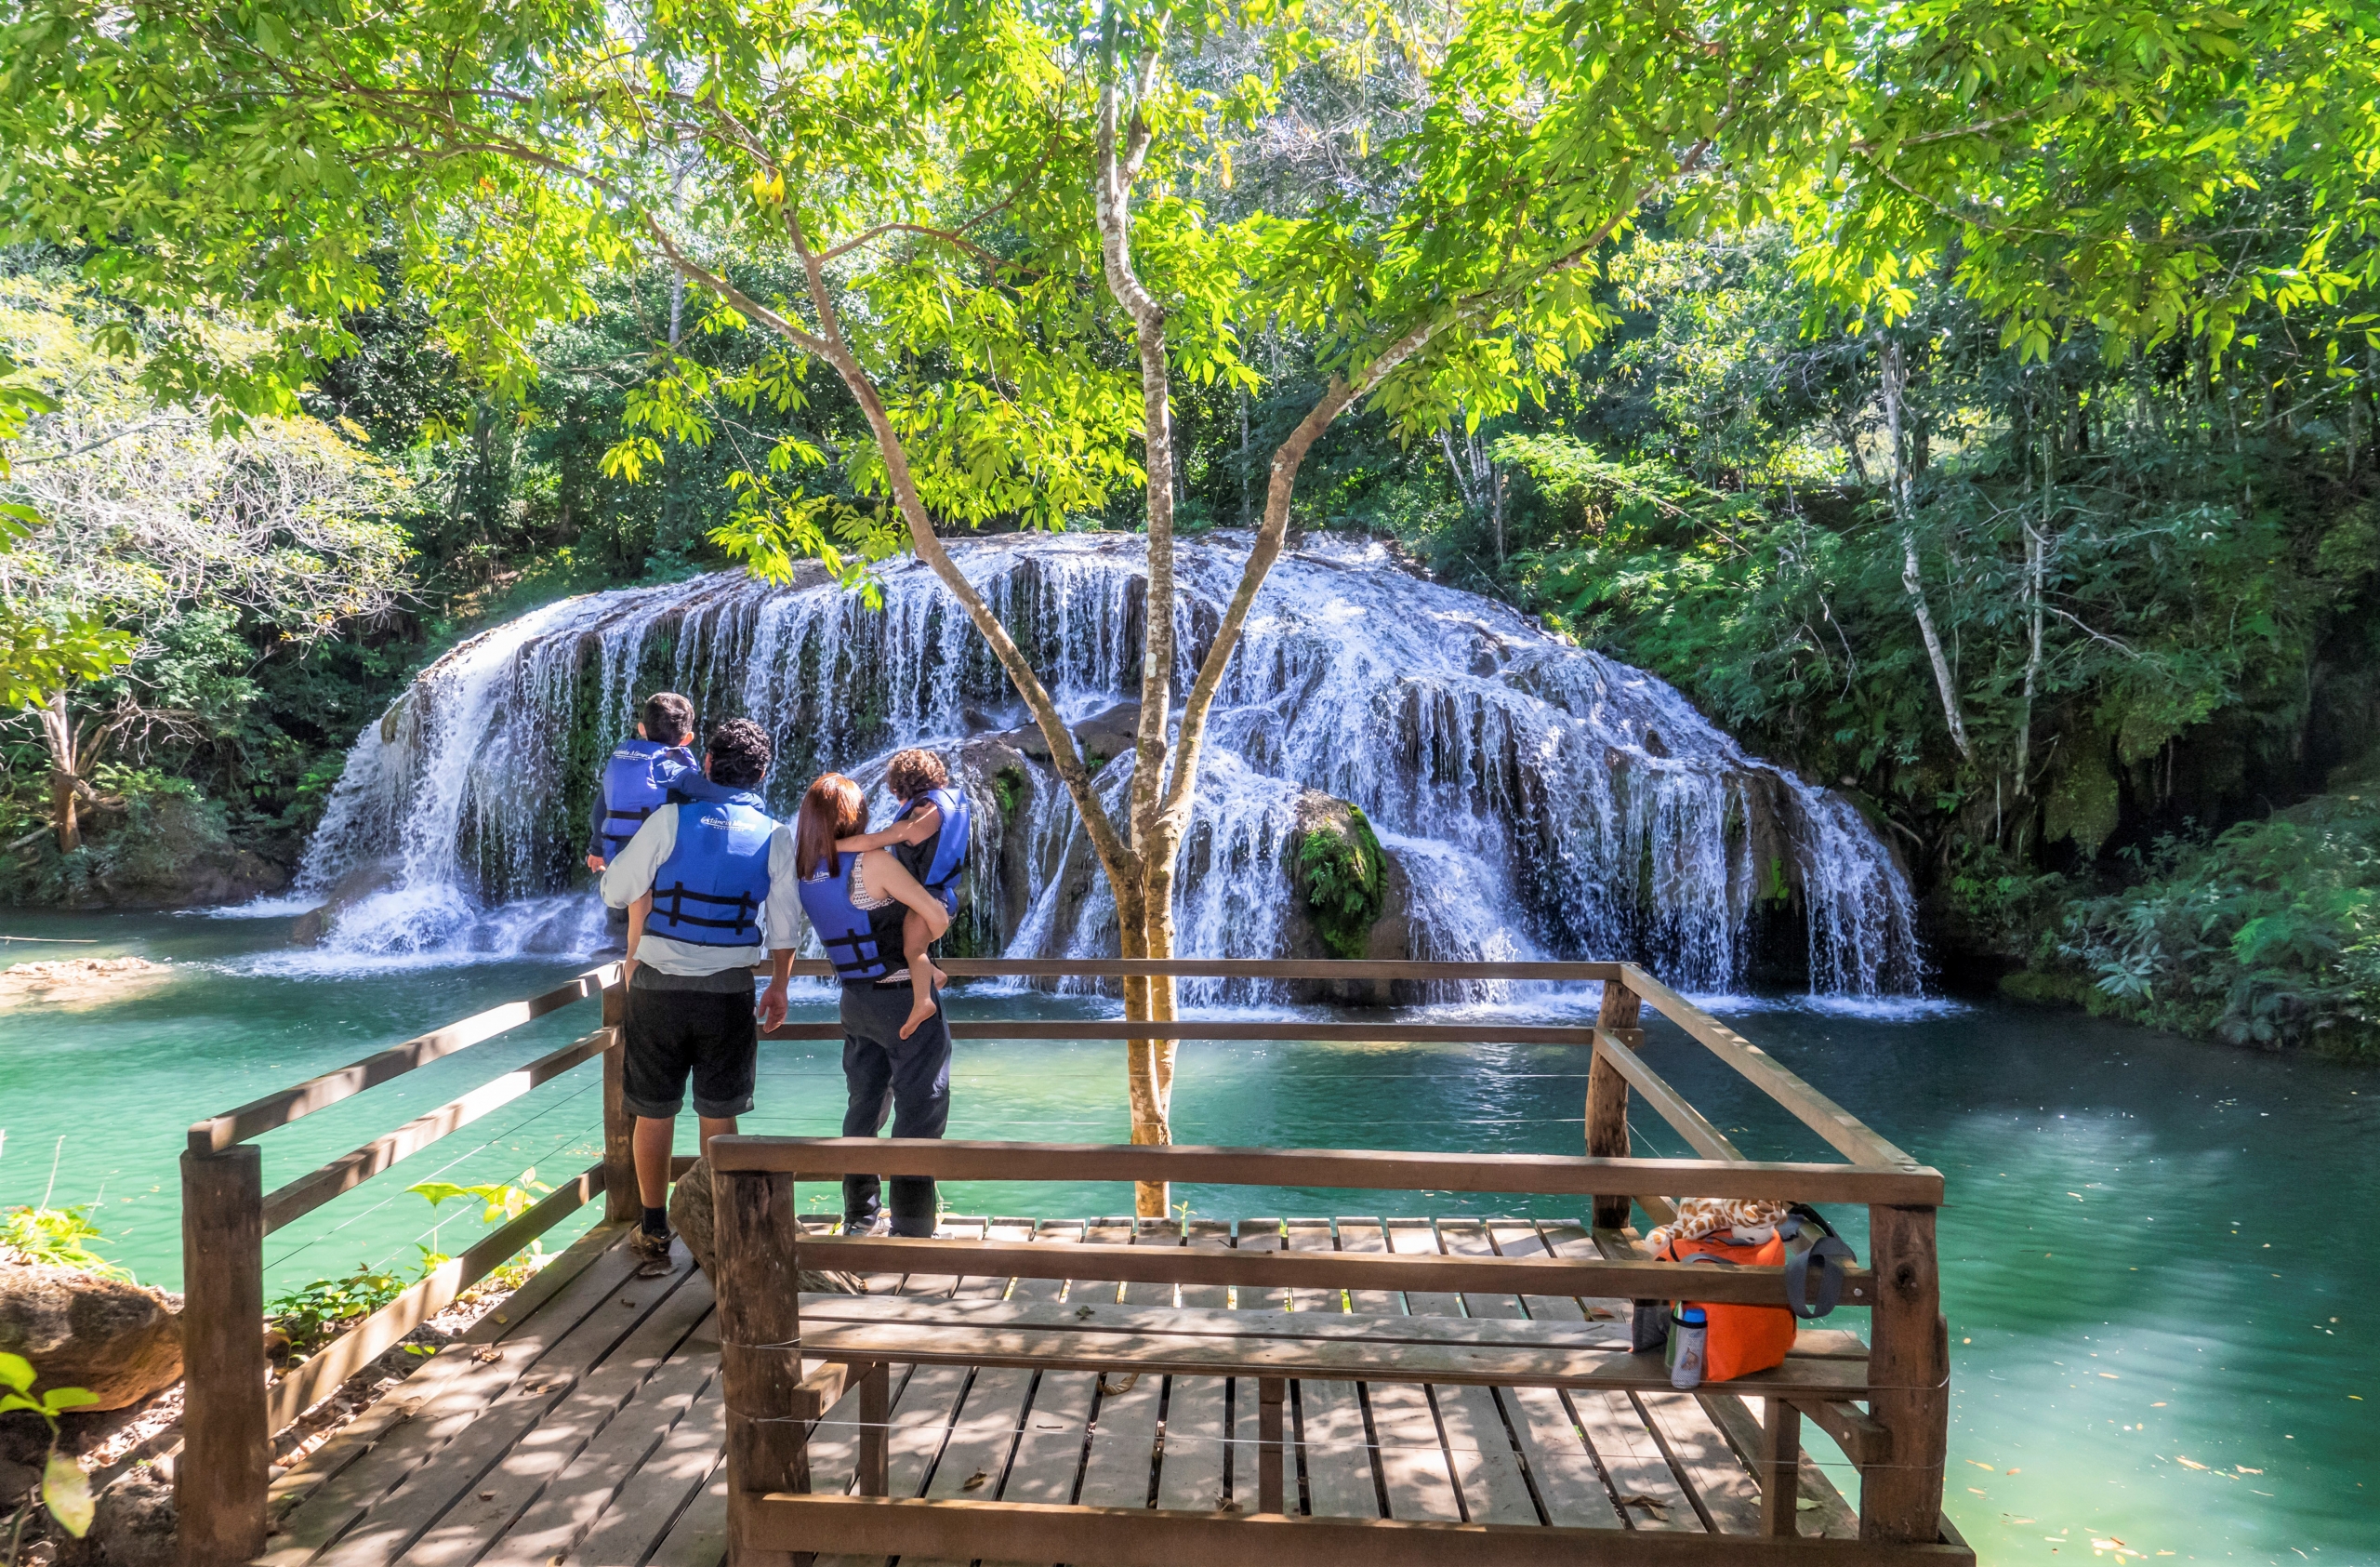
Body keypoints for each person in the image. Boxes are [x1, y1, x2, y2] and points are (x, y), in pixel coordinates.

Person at [600, 717, 802, 1275]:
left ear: (706, 764)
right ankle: (726, 1225)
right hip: (729, 993)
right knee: (718, 1113)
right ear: (763, 773)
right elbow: (785, 927)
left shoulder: (668, 819)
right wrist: (780, 986)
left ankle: (654, 1228)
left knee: (652, 1110)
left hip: (657, 989)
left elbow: (616, 889)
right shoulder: (776, 835)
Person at [793, 773, 954, 1237]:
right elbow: (936, 917)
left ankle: (860, 1218)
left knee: (863, 1106)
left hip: (855, 1001)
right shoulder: (872, 862)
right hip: (903, 997)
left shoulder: (806, 869)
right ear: (854, 816)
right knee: (921, 1108)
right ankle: (912, 1224)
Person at [831, 749, 972, 1040]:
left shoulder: (919, 819)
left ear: (898, 788)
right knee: (907, 942)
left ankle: (923, 1002)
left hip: (930, 902)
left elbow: (875, 840)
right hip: (939, 896)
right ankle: (933, 974)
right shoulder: (940, 807)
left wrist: (830, 847)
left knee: (913, 949)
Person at [588, 692, 699, 877]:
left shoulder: (624, 767)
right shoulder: (677, 774)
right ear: (687, 739)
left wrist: (596, 849)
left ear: (641, 729)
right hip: (658, 859)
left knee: (623, 901)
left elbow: (600, 809)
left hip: (620, 852)